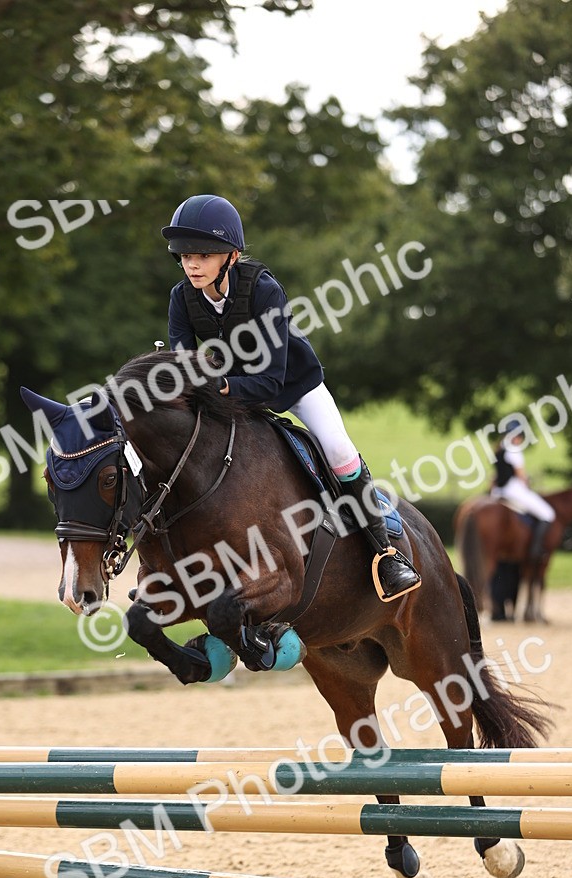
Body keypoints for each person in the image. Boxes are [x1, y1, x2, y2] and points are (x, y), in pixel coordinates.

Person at [160, 193, 421, 602]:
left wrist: (219, 383)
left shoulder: (265, 291)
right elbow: (182, 361)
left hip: (292, 386)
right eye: (184, 255)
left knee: (339, 451)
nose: (191, 264)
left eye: (203, 255)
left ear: (231, 255)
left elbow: (270, 380)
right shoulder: (181, 297)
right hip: (228, 390)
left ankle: (387, 554)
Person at [491, 419, 556, 564]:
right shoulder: (514, 450)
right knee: (548, 514)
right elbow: (521, 476)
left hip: (497, 492)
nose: (520, 439)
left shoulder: (499, 448)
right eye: (519, 436)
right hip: (513, 490)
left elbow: (495, 476)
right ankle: (535, 549)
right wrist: (529, 482)